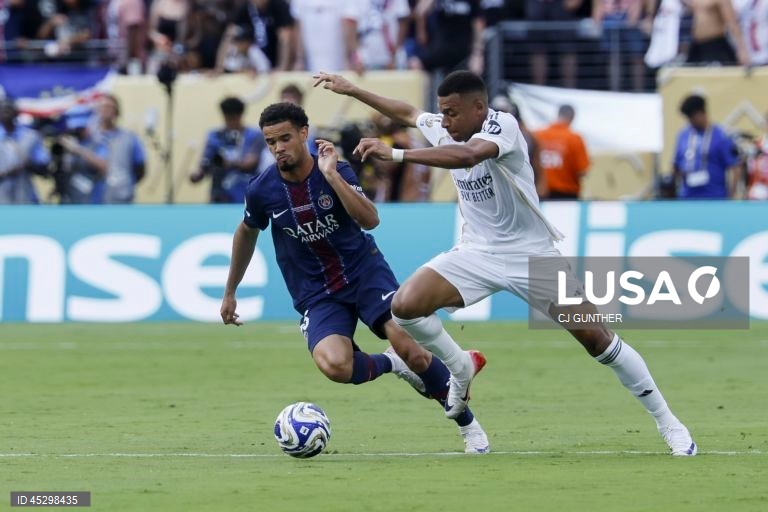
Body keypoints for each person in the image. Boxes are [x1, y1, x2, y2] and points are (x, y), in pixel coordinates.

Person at [313, 69, 698, 456]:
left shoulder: (503, 127)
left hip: (532, 256)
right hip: (477, 253)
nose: (445, 122)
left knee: (598, 339)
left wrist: (397, 153)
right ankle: (460, 365)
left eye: (452, 113)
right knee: (405, 305)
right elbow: (409, 113)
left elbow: (468, 156)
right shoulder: (446, 127)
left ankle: (670, 423)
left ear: (479, 108)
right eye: (442, 113)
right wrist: (353, 90)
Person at [219, 101, 490, 453]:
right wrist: (230, 291)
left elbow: (370, 220)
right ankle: (391, 362)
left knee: (415, 353)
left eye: (285, 138)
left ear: (304, 133)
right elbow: (246, 232)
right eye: (271, 142)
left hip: (364, 274)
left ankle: (469, 428)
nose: (278, 148)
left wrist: (332, 176)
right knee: (335, 365)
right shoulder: (262, 190)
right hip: (316, 292)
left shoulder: (337, 170)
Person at [58, 94, 146, 204]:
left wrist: (125, 184)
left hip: (119, 199)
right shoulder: (89, 139)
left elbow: (140, 169)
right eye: (102, 107)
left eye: (109, 107)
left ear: (117, 111)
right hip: (93, 199)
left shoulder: (129, 138)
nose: (105, 110)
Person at [190, 97, 266, 203]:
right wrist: (198, 174)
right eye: (227, 118)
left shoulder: (254, 135)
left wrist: (228, 163)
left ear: (240, 115)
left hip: (245, 192)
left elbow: (251, 162)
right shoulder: (214, 135)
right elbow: (206, 160)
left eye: (233, 118)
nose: (230, 122)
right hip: (219, 194)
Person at [672, 94, 742, 199]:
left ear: (701, 113)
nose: (690, 122)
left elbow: (735, 167)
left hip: (714, 198)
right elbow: (676, 165)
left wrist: (731, 195)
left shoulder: (721, 136)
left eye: (692, 118)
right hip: (687, 197)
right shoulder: (683, 135)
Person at [0, 97, 50, 204]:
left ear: (17, 113)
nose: (6, 112)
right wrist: (6, 173)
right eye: (2, 109)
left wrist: (28, 164)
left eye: (9, 109)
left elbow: (43, 166)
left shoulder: (30, 136)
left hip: (25, 196)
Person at [534, 104, 590, 200]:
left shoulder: (537, 135)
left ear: (558, 115)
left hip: (539, 194)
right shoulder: (574, 138)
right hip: (566, 196)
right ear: (572, 118)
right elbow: (582, 171)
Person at [683, 0, 750, 65]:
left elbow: (732, 23)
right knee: (687, 70)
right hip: (697, 45)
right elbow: (695, 7)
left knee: (729, 69)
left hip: (715, 43)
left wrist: (742, 49)